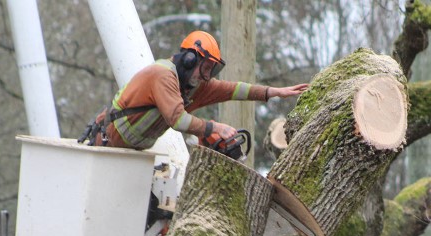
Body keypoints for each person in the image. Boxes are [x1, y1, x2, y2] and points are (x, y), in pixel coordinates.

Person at [79, 30, 308, 151]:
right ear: (189, 59)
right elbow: (177, 120)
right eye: (205, 67)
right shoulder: (163, 75)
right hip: (108, 145)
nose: (206, 76)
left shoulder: (190, 84)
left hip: (131, 152)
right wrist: (213, 128)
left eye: (211, 70)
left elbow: (233, 89)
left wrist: (272, 92)